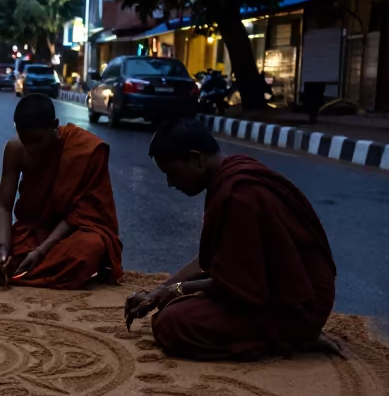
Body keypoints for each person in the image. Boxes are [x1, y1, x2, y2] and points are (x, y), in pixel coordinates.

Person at [126, 118, 336, 360]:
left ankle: (293, 337)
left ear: (196, 159)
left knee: (171, 323)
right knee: (173, 304)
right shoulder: (230, 175)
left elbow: (239, 286)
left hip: (296, 307)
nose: (170, 184)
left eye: (171, 173)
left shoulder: (240, 195)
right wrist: (159, 291)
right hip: (279, 291)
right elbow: (212, 260)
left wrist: (176, 290)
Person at [0, 94, 123, 288]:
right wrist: (4, 250)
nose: (32, 148)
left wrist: (41, 251)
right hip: (33, 232)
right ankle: (37, 273)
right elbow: (4, 207)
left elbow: (81, 214)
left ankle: (22, 274)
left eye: (37, 141)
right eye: (26, 141)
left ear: (54, 125)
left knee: (91, 248)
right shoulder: (16, 149)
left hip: (69, 234)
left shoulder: (84, 149)